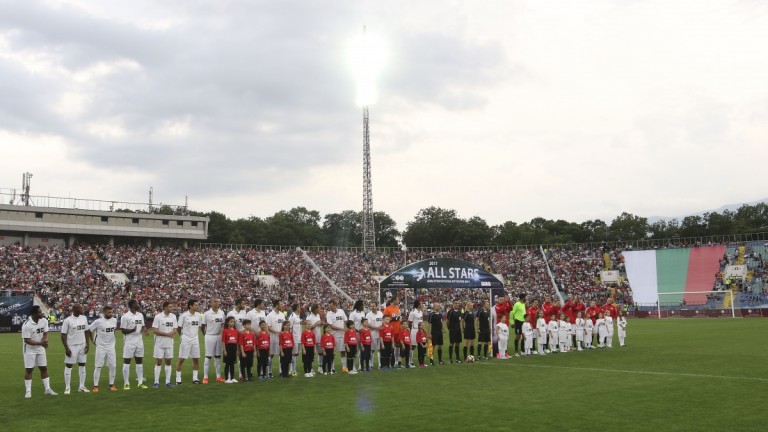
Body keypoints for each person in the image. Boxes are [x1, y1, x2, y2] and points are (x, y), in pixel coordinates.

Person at [22, 305, 57, 398]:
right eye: (39, 312)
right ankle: (28, 391)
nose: (41, 313)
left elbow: (45, 333)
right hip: (29, 349)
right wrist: (41, 343)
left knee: (43, 368)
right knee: (29, 369)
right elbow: (27, 340)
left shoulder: (44, 321)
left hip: (40, 348)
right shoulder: (26, 325)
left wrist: (45, 340)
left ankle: (47, 389)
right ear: (34, 314)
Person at [61, 303, 90, 394]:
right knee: (69, 366)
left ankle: (81, 386)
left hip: (82, 345)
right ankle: (67, 387)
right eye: (81, 308)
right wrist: (66, 348)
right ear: (75, 309)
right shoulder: (68, 320)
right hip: (72, 346)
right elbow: (63, 335)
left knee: (82, 365)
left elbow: (86, 331)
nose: (83, 309)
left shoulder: (84, 318)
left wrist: (87, 344)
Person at [120, 299, 148, 390]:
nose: (138, 305)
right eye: (136, 304)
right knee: (127, 362)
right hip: (129, 341)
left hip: (139, 341)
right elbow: (123, 330)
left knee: (139, 361)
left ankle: (140, 382)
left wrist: (144, 330)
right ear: (132, 305)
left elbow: (143, 325)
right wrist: (132, 330)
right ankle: (126, 383)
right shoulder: (125, 317)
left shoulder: (140, 315)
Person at [89, 305, 117, 392]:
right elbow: (89, 330)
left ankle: (111, 385)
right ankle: (95, 386)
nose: (111, 314)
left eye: (111, 312)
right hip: (101, 347)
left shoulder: (114, 320)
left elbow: (113, 330)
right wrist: (92, 340)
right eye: (109, 312)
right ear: (104, 312)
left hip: (111, 346)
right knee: (98, 366)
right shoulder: (98, 321)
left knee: (113, 366)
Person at [176, 299, 202, 385]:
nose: (197, 306)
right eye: (195, 305)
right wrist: (182, 336)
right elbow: (179, 328)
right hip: (186, 339)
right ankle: (178, 378)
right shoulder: (184, 315)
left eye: (197, 305)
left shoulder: (198, 315)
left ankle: (195, 378)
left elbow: (199, 326)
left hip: (195, 339)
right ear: (190, 306)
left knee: (196, 359)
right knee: (182, 359)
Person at [152, 301, 178, 388]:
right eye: (170, 307)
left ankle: (167, 382)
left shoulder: (173, 316)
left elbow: (175, 328)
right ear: (165, 307)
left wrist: (173, 332)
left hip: (169, 343)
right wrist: (167, 334)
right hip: (159, 343)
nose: (172, 308)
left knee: (168, 362)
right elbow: (154, 330)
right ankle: (156, 382)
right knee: (159, 362)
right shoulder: (158, 317)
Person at [201, 298, 225, 384]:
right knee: (208, 357)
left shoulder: (221, 313)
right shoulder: (207, 314)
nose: (216, 303)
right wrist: (206, 334)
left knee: (218, 357)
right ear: (211, 303)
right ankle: (205, 377)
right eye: (215, 301)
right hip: (209, 336)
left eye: (218, 301)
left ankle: (218, 376)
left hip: (219, 336)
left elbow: (222, 325)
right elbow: (202, 326)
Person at [325, 300, 347, 373]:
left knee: (343, 351)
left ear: (335, 305)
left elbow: (346, 320)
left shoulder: (341, 311)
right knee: (332, 352)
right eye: (329, 306)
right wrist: (341, 328)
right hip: (333, 335)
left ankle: (344, 367)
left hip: (342, 335)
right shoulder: (329, 314)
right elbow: (330, 326)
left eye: (331, 306)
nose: (330, 307)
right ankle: (332, 367)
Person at [266, 299, 286, 378]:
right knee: (271, 354)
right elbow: (268, 327)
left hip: (281, 337)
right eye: (280, 304)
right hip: (273, 338)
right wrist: (277, 332)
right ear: (276, 305)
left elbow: (284, 325)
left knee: (281, 354)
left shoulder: (282, 314)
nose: (282, 306)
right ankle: (269, 372)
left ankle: (281, 371)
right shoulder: (270, 315)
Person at [383, 295, 402, 367]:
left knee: (398, 346)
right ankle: (391, 362)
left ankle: (397, 361)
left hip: (398, 329)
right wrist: (394, 318)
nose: (398, 301)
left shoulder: (397, 308)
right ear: (394, 300)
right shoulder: (387, 309)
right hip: (391, 330)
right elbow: (385, 319)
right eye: (397, 300)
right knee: (391, 347)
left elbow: (399, 318)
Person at [306, 304, 324, 373]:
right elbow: (308, 327)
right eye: (319, 308)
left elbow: (318, 325)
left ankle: (320, 366)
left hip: (318, 337)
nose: (320, 309)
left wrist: (321, 323)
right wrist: (316, 323)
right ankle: (311, 368)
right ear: (315, 309)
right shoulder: (309, 317)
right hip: (311, 338)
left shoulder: (318, 315)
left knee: (321, 352)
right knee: (311, 354)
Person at [365, 301, 383, 369]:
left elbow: (383, 322)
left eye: (373, 306)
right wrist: (377, 328)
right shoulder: (368, 315)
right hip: (373, 334)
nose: (372, 307)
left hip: (380, 334)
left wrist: (381, 327)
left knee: (379, 349)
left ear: (376, 306)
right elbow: (368, 324)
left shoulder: (380, 313)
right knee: (372, 350)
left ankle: (380, 364)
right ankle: (371, 364)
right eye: (371, 306)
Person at [349, 300, 366, 371]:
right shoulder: (353, 314)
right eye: (362, 305)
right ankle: (353, 366)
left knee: (361, 349)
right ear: (359, 306)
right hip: (355, 333)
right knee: (354, 350)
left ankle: (360, 365)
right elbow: (350, 324)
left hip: (362, 333)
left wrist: (363, 329)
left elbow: (364, 323)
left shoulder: (363, 313)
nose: (363, 306)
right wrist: (357, 330)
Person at [221, 316, 239, 383]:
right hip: (228, 347)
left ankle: (232, 377)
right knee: (227, 363)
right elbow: (223, 341)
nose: (232, 323)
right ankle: (226, 379)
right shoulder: (225, 331)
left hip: (234, 348)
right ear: (227, 322)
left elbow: (236, 341)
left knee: (232, 363)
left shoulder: (236, 331)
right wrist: (224, 350)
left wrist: (237, 350)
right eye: (231, 321)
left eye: (233, 322)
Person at [407, 300, 424, 367]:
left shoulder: (421, 312)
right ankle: (410, 361)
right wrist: (411, 330)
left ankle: (421, 362)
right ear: (418, 305)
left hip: (420, 330)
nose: (422, 304)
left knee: (421, 345)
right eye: (421, 303)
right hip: (414, 330)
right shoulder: (413, 312)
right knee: (413, 346)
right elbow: (409, 322)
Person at [289, 303, 303, 377]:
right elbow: (289, 327)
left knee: (296, 354)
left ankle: (292, 370)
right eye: (299, 307)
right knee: (294, 354)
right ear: (297, 308)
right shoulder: (292, 316)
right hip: (294, 338)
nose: (300, 308)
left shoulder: (298, 316)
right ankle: (293, 370)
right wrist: (291, 338)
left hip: (299, 338)